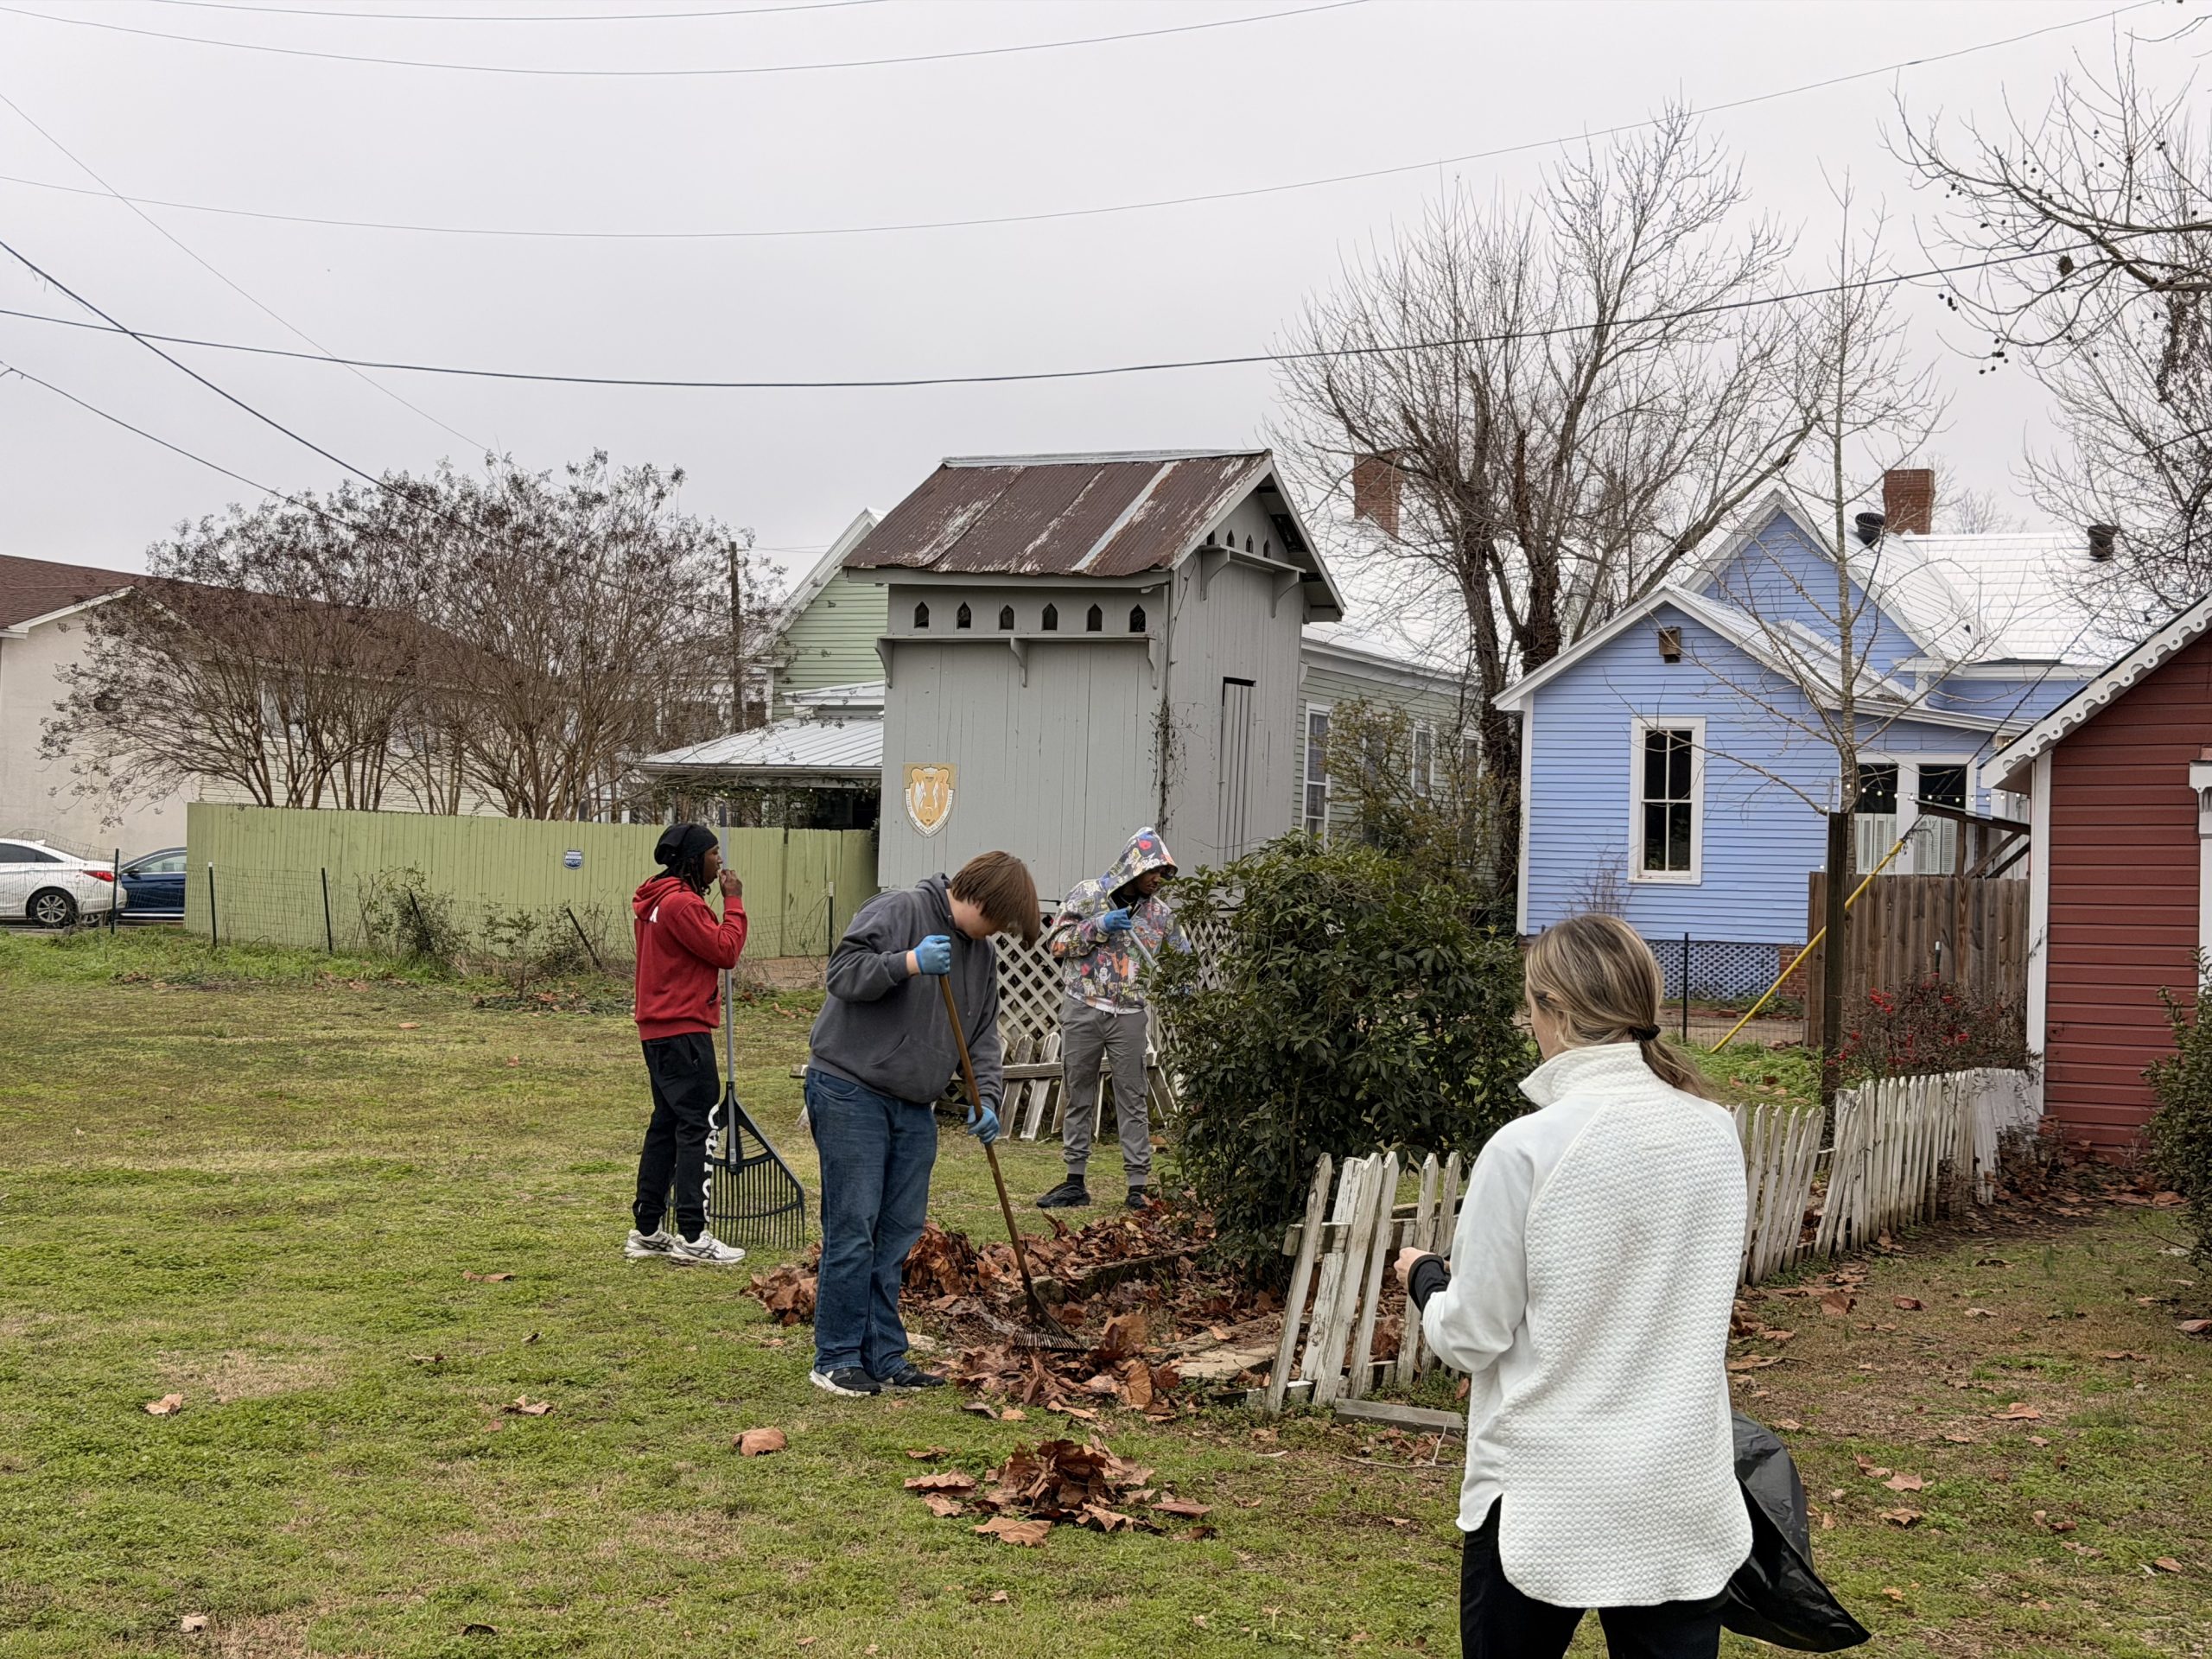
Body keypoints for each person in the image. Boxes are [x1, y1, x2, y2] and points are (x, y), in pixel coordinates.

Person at [1392, 912, 1751, 1659]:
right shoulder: (1713, 1131)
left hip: (1544, 1490)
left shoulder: (1526, 1148)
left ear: (1552, 1009)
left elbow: (1471, 1335)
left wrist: (1425, 1278)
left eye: (1531, 1005)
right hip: (1681, 1487)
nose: (1528, 1021)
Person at [804, 850, 1040, 1398]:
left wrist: (987, 1099)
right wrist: (906, 962)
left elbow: (982, 1036)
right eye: (998, 922)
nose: (997, 934)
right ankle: (836, 1357)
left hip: (914, 1106)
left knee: (896, 1234)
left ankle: (884, 1356)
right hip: (851, 1089)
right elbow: (842, 974)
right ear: (981, 899)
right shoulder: (901, 909)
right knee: (854, 1226)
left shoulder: (980, 956)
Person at [1033, 826, 1185, 1212]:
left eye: (1163, 873)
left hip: (1130, 1014)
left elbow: (1182, 960)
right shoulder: (1088, 894)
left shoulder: (1160, 915)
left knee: (1133, 1097)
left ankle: (1137, 1186)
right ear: (1134, 865)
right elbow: (1056, 943)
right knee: (1078, 1091)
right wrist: (1097, 926)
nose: (1158, 879)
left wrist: (1181, 985)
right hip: (1082, 1005)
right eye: (1153, 870)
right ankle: (1074, 1182)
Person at [625, 823, 751, 1268]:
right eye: (713, 854)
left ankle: (647, 1229)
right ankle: (693, 1235)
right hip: (683, 1028)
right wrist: (734, 901)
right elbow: (725, 950)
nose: (720, 861)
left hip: (657, 1029)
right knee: (697, 1125)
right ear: (694, 860)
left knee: (666, 1123)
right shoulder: (682, 904)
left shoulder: (655, 899)